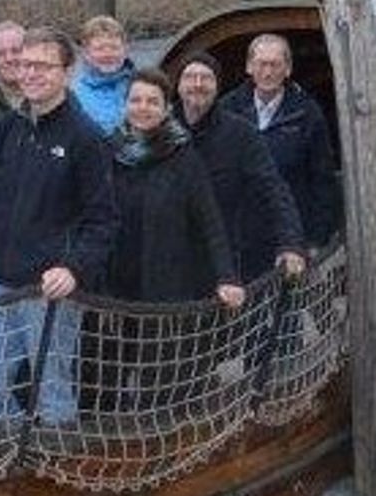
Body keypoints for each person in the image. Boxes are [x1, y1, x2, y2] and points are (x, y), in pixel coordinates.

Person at [0, 27, 115, 425]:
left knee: (50, 386)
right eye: (25, 65)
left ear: (68, 72)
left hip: (49, 287)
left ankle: (58, 469)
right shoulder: (7, 129)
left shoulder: (87, 139)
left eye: (43, 66)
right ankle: (11, 464)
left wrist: (73, 268)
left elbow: (102, 219)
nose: (31, 73)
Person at [109, 69, 243, 305]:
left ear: (166, 109)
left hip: (168, 285)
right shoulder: (108, 152)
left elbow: (209, 220)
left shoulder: (184, 157)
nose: (143, 108)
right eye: (136, 100)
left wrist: (227, 277)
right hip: (113, 287)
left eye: (153, 102)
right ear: (125, 105)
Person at [175, 51, 306, 281]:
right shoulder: (161, 131)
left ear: (217, 86)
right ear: (178, 85)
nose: (197, 84)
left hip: (223, 256)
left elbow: (273, 189)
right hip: (169, 252)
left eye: (206, 78)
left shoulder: (240, 133)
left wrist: (291, 244)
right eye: (190, 77)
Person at [219, 33, 337, 253]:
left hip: (291, 237)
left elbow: (323, 180)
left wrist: (317, 240)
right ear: (249, 67)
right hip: (240, 239)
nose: (267, 72)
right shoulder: (227, 110)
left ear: (288, 69)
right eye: (261, 64)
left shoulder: (307, 114)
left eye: (275, 64)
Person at [71, 15, 136, 137]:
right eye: (99, 49)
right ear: (86, 54)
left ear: (126, 50)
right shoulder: (74, 95)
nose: (108, 54)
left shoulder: (142, 85)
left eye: (114, 47)